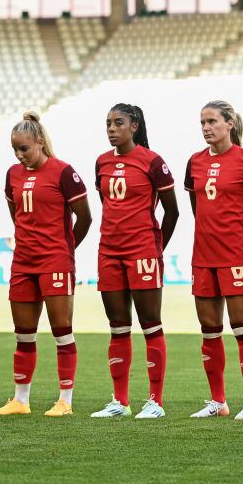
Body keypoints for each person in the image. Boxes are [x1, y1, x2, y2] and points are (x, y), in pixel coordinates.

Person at [0, 112, 91, 417]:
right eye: (15, 150)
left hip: (55, 262)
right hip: (23, 263)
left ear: (39, 142)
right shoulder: (12, 175)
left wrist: (64, 249)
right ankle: (21, 400)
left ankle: (65, 401)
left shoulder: (63, 172)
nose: (20, 156)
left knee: (62, 331)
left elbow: (84, 217)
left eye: (24, 149)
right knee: (24, 334)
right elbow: (15, 213)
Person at [184, 100, 243, 420]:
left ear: (230, 124)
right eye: (202, 122)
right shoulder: (194, 162)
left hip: (236, 255)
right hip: (203, 256)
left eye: (212, 121)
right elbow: (197, 209)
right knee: (209, 329)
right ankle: (218, 401)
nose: (206, 127)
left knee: (242, 326)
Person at [91, 103, 179, 420]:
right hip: (109, 252)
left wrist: (156, 248)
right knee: (118, 327)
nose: (112, 128)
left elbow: (173, 211)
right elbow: (107, 205)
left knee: (150, 325)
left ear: (134, 125)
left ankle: (155, 401)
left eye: (118, 123)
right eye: (108, 123)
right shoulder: (101, 162)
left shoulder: (152, 162)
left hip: (143, 253)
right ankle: (120, 401)